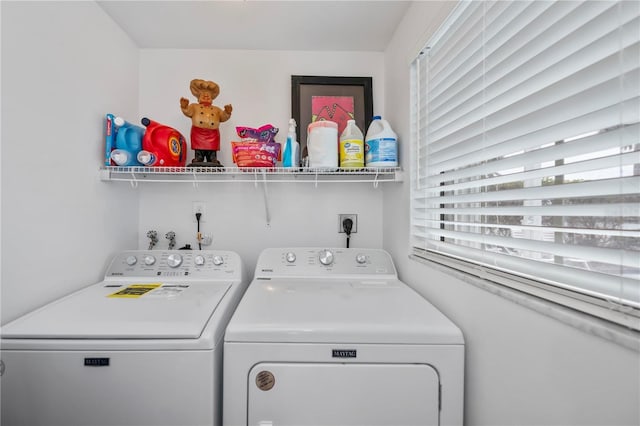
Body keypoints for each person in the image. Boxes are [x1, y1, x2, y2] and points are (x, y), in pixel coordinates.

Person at [180, 78, 232, 166]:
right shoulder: (194, 107)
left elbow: (223, 117)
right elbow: (188, 111)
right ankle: (199, 157)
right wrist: (184, 107)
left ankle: (212, 158)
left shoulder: (216, 109)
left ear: (212, 97)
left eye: (208, 95)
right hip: (198, 132)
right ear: (198, 97)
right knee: (199, 148)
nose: (206, 96)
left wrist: (227, 112)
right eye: (203, 95)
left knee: (212, 149)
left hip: (213, 133)